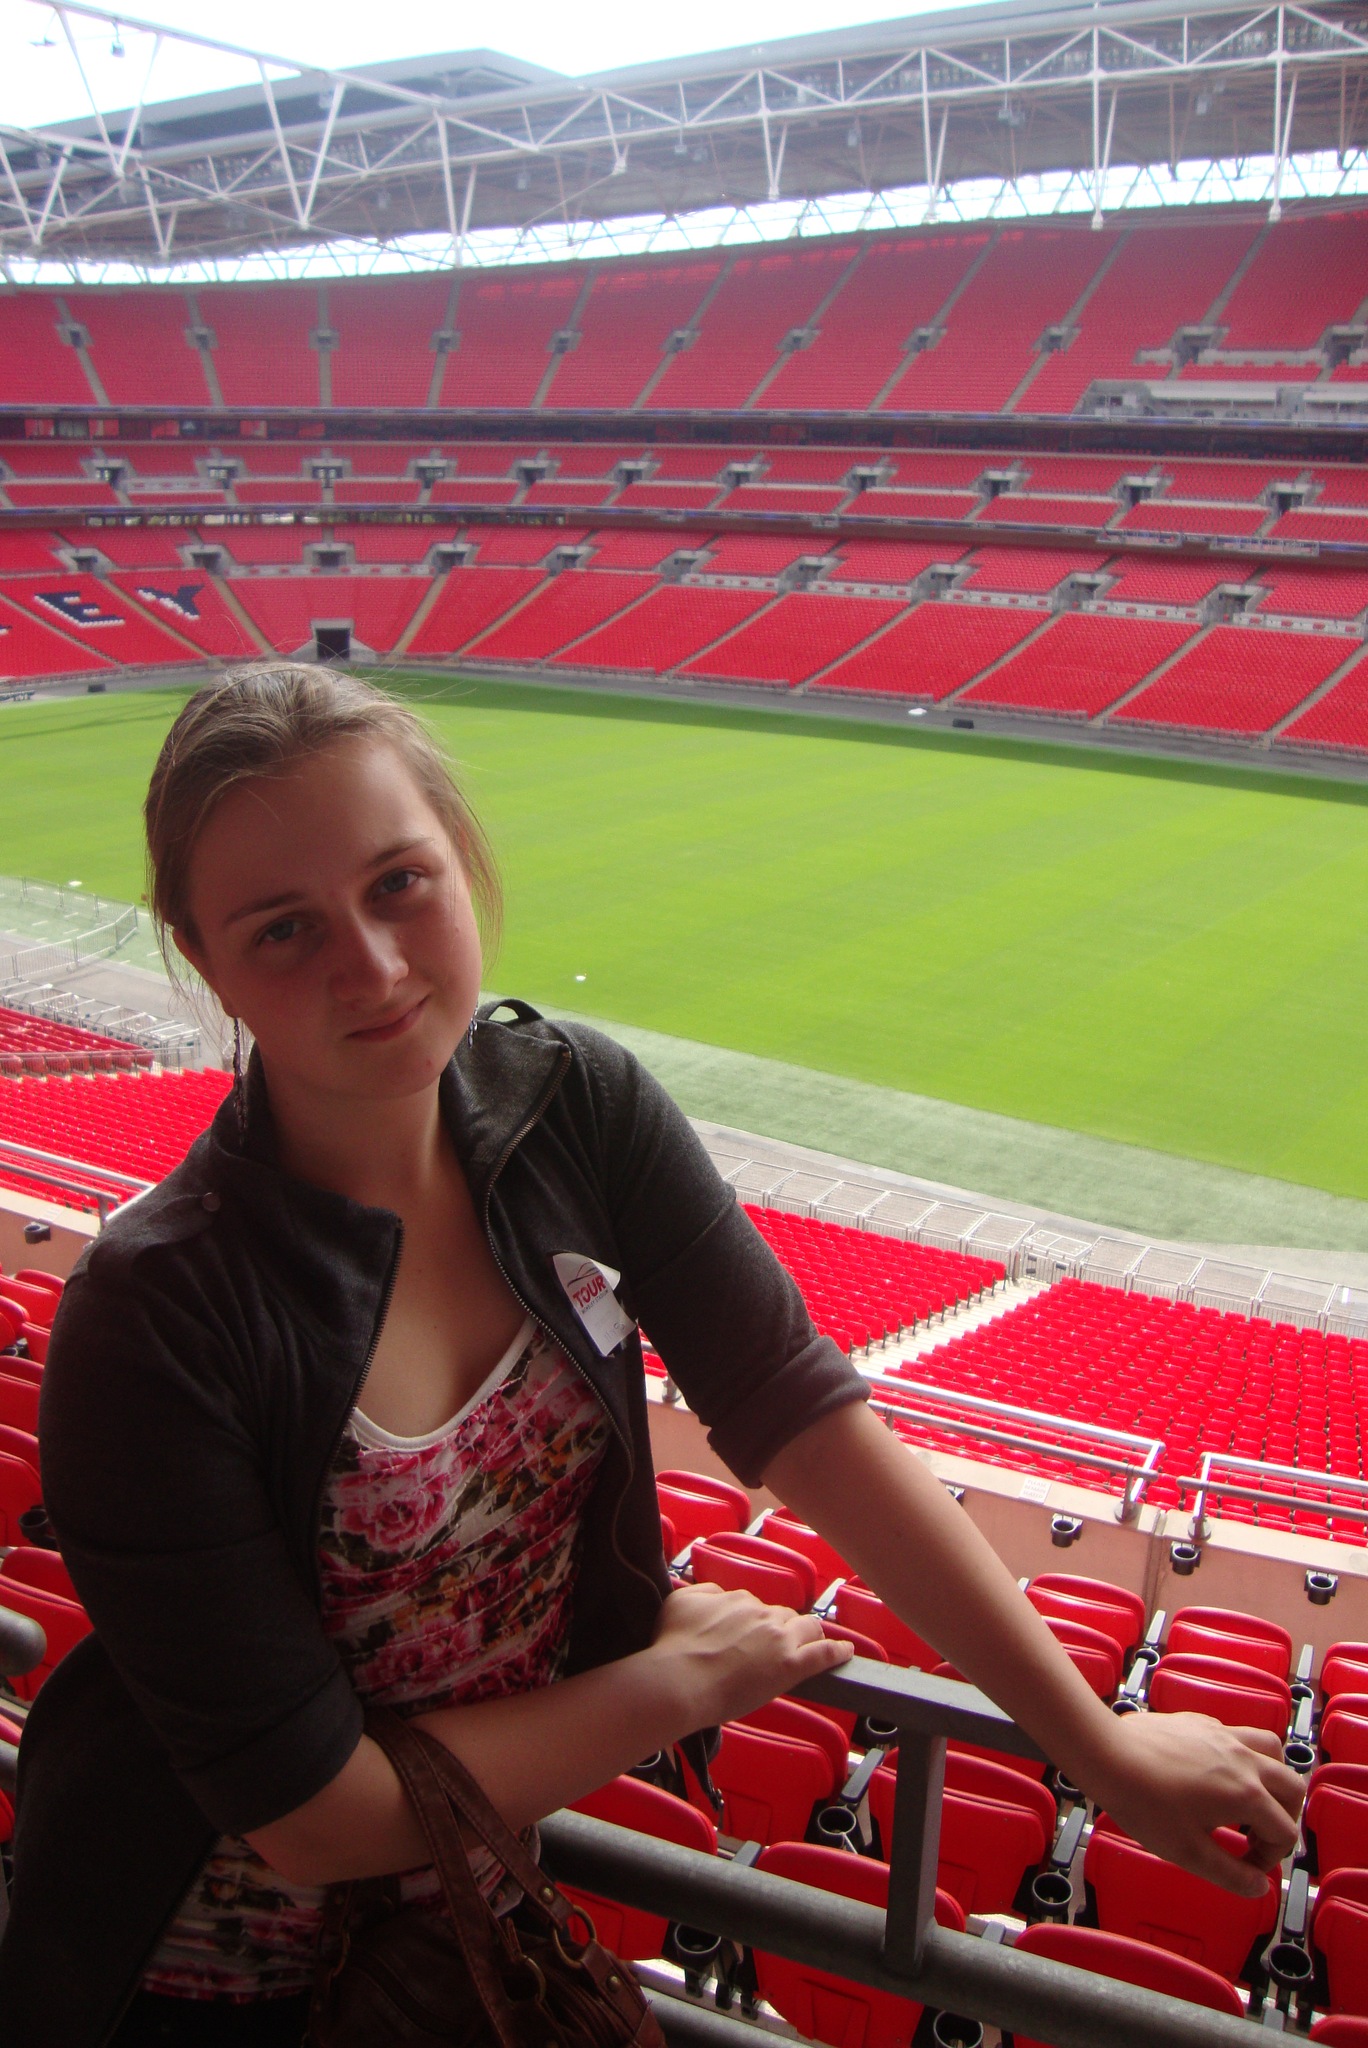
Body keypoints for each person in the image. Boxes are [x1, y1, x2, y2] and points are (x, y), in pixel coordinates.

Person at [0, 666, 1303, 2048]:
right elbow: (320, 1818)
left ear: (462, 855)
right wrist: (670, 1685)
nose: (372, 966)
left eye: (399, 884)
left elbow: (803, 1414)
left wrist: (1096, 1743)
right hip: (192, 1988)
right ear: (203, 958)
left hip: (471, 1939)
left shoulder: (577, 1105)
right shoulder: (155, 1315)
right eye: (283, 929)